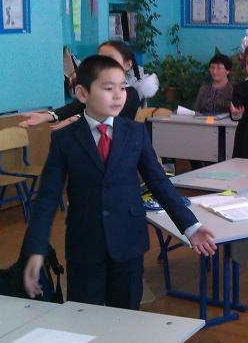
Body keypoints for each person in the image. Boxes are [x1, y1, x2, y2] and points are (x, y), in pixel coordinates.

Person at [21, 55, 216, 309]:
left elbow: (158, 182)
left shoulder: (134, 132)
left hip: (128, 242)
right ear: (82, 93)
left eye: (122, 88)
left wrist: (190, 226)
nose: (118, 96)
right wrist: (36, 249)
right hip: (85, 244)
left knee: (126, 314)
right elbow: (47, 197)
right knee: (83, 315)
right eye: (108, 88)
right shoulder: (65, 139)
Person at [19, 41, 142, 129]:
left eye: (110, 59)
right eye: (100, 59)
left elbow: (104, 115)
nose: (104, 64)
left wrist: (76, 119)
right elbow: (74, 107)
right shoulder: (93, 88)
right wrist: (46, 116)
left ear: (128, 64)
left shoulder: (130, 94)